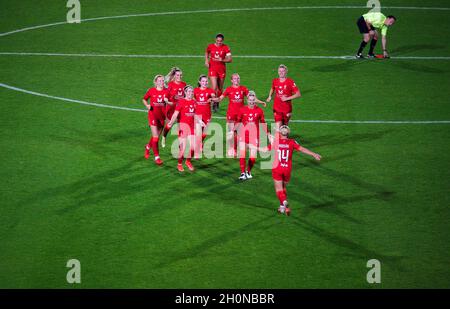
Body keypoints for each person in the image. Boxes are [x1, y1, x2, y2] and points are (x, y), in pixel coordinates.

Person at [255, 125, 321, 215]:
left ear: (279, 133)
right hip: (287, 169)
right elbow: (302, 149)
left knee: (278, 189)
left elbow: (265, 150)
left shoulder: (276, 142)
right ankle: (284, 208)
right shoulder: (292, 142)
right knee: (283, 187)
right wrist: (313, 154)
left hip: (277, 168)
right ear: (288, 133)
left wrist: (253, 147)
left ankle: (283, 202)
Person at [214, 73, 266, 157]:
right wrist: (213, 99)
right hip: (231, 114)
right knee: (232, 132)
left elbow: (251, 98)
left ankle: (240, 147)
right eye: (234, 79)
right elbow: (220, 98)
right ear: (231, 80)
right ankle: (232, 149)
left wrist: (261, 102)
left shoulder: (243, 89)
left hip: (241, 115)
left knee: (239, 133)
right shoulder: (228, 89)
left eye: (238, 78)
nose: (236, 80)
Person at [167, 85, 205, 172]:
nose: (190, 93)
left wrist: (200, 121)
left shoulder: (194, 102)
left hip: (191, 127)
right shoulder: (181, 102)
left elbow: (195, 114)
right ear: (185, 93)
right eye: (188, 92)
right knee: (183, 148)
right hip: (183, 127)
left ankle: (188, 161)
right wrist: (171, 122)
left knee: (193, 147)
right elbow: (176, 114)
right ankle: (179, 164)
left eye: (192, 92)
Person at [236, 91, 271, 180]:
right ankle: (242, 173)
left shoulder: (259, 110)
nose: (251, 102)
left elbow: (263, 123)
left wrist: (268, 134)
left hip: (254, 135)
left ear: (255, 100)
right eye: (250, 100)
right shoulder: (242, 109)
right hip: (244, 135)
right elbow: (238, 121)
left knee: (252, 157)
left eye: (253, 100)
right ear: (247, 100)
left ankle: (248, 171)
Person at [143, 74, 170, 165]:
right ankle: (157, 157)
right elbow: (144, 99)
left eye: (162, 81)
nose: (161, 82)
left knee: (156, 137)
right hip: (153, 116)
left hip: (162, 117)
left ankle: (147, 147)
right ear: (156, 82)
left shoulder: (167, 91)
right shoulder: (151, 90)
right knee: (155, 137)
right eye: (159, 81)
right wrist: (147, 105)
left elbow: (171, 102)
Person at [266, 64, 301, 131]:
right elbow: (272, 88)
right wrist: (270, 96)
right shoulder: (275, 81)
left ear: (286, 72)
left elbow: (298, 94)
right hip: (277, 108)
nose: (281, 73)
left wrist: (286, 98)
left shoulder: (290, 82)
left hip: (286, 109)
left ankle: (285, 140)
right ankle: (277, 140)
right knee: (278, 128)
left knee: (284, 130)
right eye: (279, 71)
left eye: (283, 71)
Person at [205, 33, 232, 112]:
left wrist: (222, 60)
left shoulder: (226, 48)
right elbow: (207, 52)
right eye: (217, 41)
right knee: (214, 87)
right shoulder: (210, 46)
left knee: (220, 88)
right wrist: (206, 60)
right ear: (215, 40)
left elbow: (230, 59)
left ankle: (217, 103)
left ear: (222, 41)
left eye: (220, 41)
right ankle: (213, 103)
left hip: (221, 70)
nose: (219, 42)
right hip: (212, 69)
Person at [161, 67, 186, 148]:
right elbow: (166, 95)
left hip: (181, 108)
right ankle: (164, 137)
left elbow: (185, 96)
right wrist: (167, 100)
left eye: (181, 75)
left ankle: (180, 145)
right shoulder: (171, 84)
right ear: (174, 76)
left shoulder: (184, 85)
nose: (179, 77)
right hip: (171, 108)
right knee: (170, 124)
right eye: (178, 75)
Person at [194, 75, 216, 154]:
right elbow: (191, 98)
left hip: (207, 114)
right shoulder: (195, 90)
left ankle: (200, 143)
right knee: (198, 132)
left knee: (205, 132)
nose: (205, 83)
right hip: (198, 114)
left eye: (206, 81)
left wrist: (212, 98)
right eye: (203, 81)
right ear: (200, 82)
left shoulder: (210, 91)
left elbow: (214, 97)